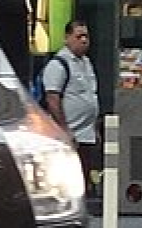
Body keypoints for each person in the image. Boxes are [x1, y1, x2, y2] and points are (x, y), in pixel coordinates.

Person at [40, 18, 102, 200]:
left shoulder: (86, 63)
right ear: (67, 38)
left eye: (86, 36)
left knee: (84, 175)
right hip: (71, 135)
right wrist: (64, 129)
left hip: (86, 134)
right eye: (79, 36)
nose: (83, 40)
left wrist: (94, 127)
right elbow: (52, 98)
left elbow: (91, 94)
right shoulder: (59, 65)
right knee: (68, 180)